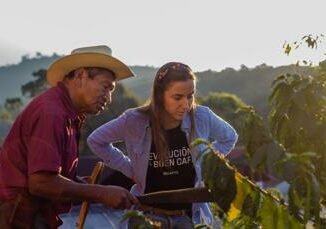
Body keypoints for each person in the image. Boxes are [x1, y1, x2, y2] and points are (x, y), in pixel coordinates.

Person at [0, 45, 139, 229]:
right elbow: (41, 183)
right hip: (16, 217)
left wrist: (83, 186)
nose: (109, 98)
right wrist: (100, 193)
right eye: (106, 87)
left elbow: (53, 175)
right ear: (81, 76)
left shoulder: (67, 114)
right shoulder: (52, 113)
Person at [87, 62, 238, 228]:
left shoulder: (202, 116)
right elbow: (96, 141)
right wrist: (129, 168)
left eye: (190, 95)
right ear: (160, 96)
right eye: (178, 97)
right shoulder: (134, 120)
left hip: (188, 217)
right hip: (147, 216)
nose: (186, 105)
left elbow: (229, 137)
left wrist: (205, 163)